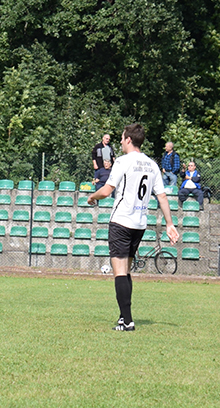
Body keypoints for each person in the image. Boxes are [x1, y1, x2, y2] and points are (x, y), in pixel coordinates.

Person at [88, 124, 179, 331]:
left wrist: (92, 197)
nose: (120, 141)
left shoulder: (122, 162)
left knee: (119, 271)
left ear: (129, 139)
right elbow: (162, 196)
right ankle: (123, 317)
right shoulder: (152, 164)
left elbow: (107, 189)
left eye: (121, 138)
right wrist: (170, 224)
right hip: (139, 224)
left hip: (121, 221)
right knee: (126, 271)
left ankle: (127, 321)